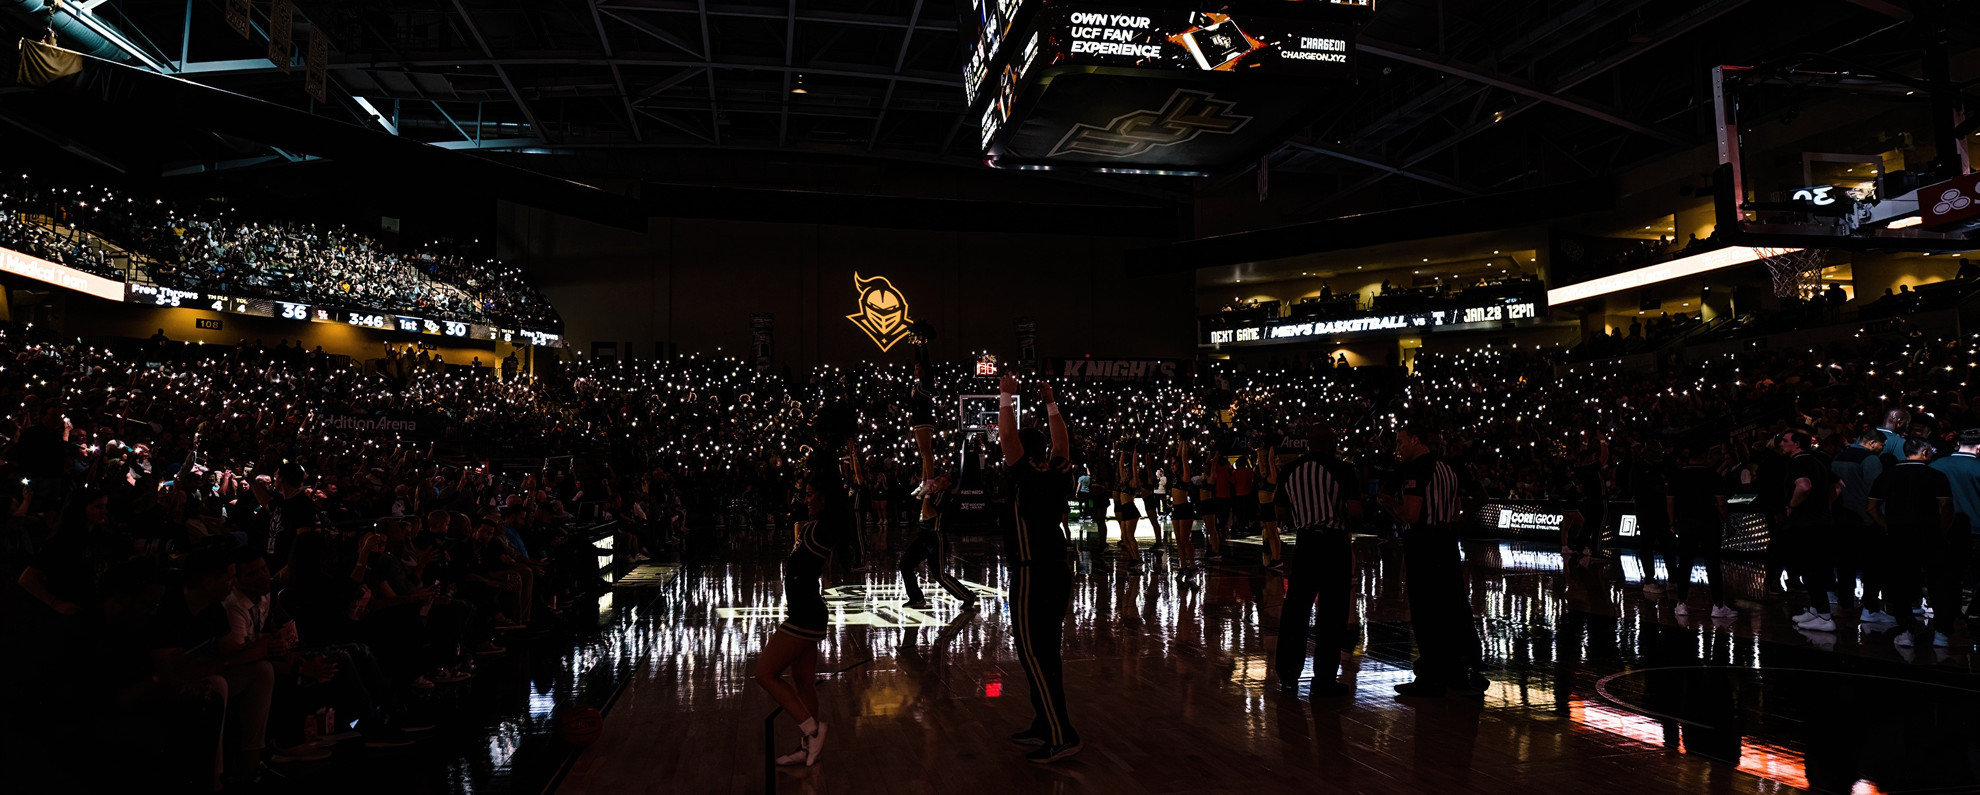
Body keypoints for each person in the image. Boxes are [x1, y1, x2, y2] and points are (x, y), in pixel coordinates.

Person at [998, 373, 1080, 763]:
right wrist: (1051, 404)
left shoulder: (1026, 476)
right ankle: (1045, 722)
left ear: (1021, 454)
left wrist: (1006, 397)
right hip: (1057, 571)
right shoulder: (1056, 471)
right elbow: (1061, 441)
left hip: (1032, 574)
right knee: (1046, 653)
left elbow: (1007, 438)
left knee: (1034, 654)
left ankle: (1062, 734)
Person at [1377, 423, 1486, 698]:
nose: (1398, 448)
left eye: (1401, 442)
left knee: (1425, 611)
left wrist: (1390, 506)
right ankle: (1462, 671)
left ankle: (1430, 676)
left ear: (1416, 439)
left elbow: (1411, 514)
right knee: (1454, 606)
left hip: (1424, 544)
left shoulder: (1416, 469)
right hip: (1447, 541)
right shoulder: (1449, 467)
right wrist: (1454, 519)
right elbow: (1480, 497)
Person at [757, 460, 849, 767]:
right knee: (803, 682)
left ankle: (812, 730)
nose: (805, 499)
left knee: (765, 674)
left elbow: (837, 496)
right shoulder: (810, 526)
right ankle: (809, 748)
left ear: (825, 497)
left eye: (811, 495)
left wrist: (831, 455)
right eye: (805, 494)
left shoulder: (825, 529)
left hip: (805, 615)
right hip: (805, 611)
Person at [1272, 427, 1361, 697]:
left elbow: (1279, 511)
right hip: (1334, 544)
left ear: (1308, 444)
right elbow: (1355, 513)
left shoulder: (1291, 470)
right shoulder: (1344, 470)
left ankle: (1288, 677)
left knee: (1296, 610)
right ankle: (1323, 681)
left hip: (1306, 543)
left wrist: (1301, 519)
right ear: (1332, 443)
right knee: (1331, 613)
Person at [1869, 438, 1953, 648]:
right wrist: (1941, 530)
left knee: (1901, 583)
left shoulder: (1887, 475)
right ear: (1924, 452)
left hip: (1898, 535)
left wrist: (1886, 526)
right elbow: (1946, 507)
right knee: (1938, 584)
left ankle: (1906, 630)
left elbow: (1871, 507)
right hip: (1930, 534)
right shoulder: (1936, 475)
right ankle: (1942, 633)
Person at [1779, 431, 1843, 632]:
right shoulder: (1818, 461)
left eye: (1784, 441)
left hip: (1805, 524)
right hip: (1822, 521)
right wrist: (1822, 504)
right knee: (1819, 567)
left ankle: (1824, 615)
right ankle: (1816, 609)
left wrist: (1792, 506)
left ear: (1796, 444)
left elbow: (1804, 486)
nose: (1780, 444)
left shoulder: (1796, 463)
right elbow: (1840, 486)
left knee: (1810, 570)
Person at [1665, 442, 1734, 618]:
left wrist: (1672, 522)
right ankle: (1718, 606)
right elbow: (1721, 503)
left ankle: (1681, 604)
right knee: (1713, 565)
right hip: (1709, 523)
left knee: (1685, 563)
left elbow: (1670, 501)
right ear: (1704, 456)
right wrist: (1728, 523)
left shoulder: (1677, 475)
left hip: (1686, 523)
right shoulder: (1713, 475)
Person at [1832, 430, 1891, 623]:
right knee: (1872, 566)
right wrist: (1881, 519)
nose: (1882, 450)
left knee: (1844, 564)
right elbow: (1876, 490)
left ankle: (1845, 605)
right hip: (1865, 520)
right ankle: (1871, 608)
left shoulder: (1839, 456)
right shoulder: (1870, 460)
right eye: (1881, 446)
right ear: (1873, 443)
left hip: (1841, 518)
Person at [1930, 429, 1980, 624]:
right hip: (1975, 530)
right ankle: (1969, 615)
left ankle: (1949, 615)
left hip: (1942, 528)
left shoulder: (1936, 465)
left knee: (1947, 575)